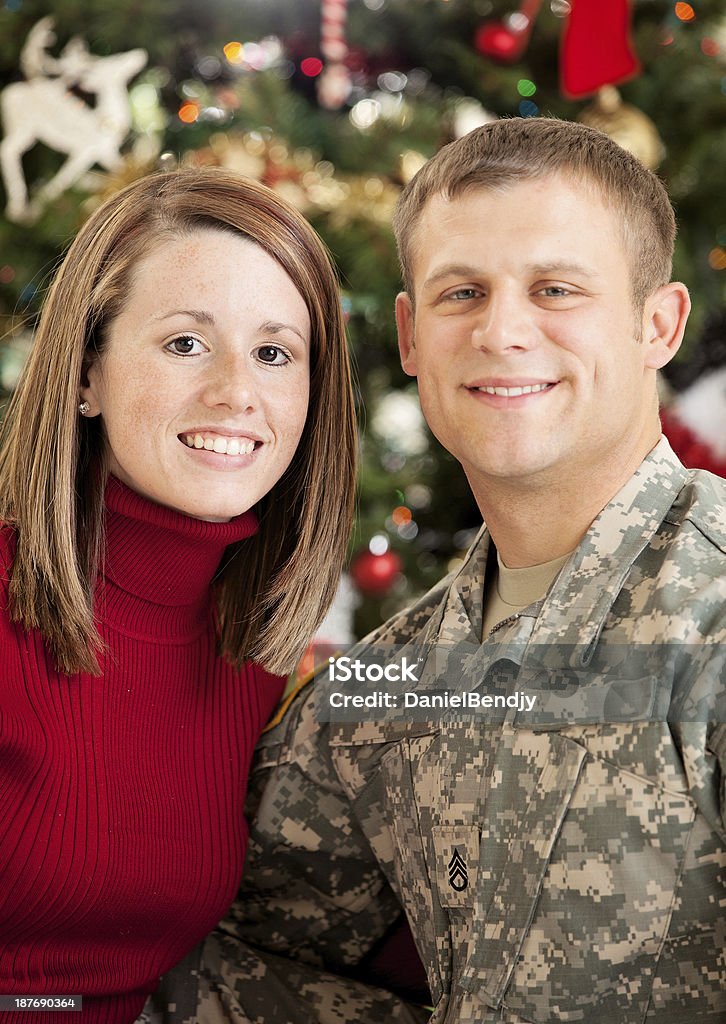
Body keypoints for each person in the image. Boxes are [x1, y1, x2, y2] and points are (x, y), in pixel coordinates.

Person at [151, 118, 726, 1023]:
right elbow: (218, 950)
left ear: (658, 324)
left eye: (556, 289)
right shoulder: (400, 680)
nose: (501, 331)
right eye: (463, 292)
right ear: (412, 337)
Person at [0, 167, 358, 1024]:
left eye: (274, 353)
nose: (238, 391)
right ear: (87, 375)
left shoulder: (253, 653)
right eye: (186, 343)